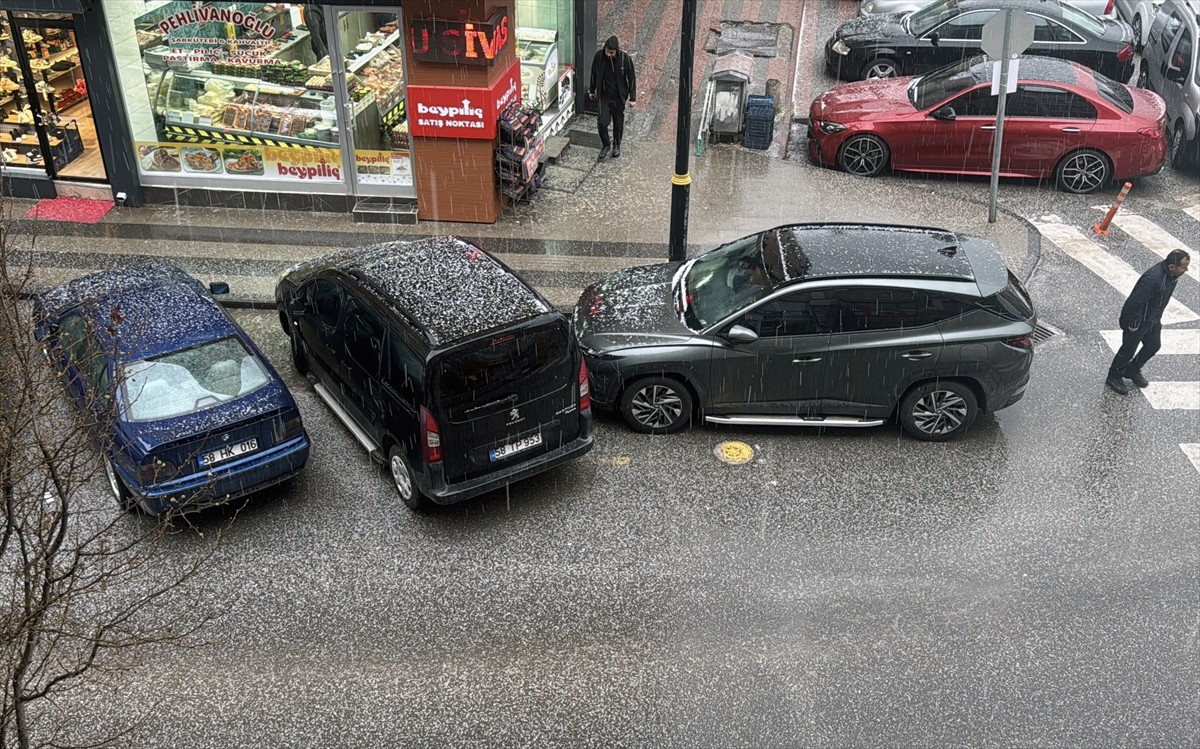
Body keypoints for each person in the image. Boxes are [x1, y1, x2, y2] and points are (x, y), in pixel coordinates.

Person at [1105, 249, 1191, 395]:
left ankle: (1132, 369)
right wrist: (1132, 323)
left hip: (1152, 319)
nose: (1186, 270)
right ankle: (1114, 375)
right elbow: (1134, 303)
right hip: (1137, 321)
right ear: (1172, 267)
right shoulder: (1153, 279)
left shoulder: (1172, 276)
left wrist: (1156, 317)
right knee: (1128, 350)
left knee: (1153, 345)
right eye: (1183, 267)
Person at [588, 36, 636, 161]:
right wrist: (592, 90)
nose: (609, 54)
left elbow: (631, 78)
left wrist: (632, 97)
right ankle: (606, 145)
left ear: (617, 51)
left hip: (619, 97)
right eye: (607, 52)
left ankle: (616, 145)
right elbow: (593, 73)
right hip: (604, 96)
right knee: (602, 122)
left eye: (612, 52)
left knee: (618, 123)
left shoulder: (625, 59)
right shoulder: (599, 57)